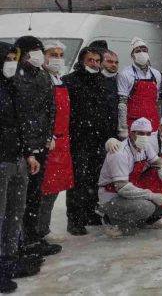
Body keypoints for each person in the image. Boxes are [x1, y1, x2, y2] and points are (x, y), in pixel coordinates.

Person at [0, 42, 43, 293]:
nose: (10, 63)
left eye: (13, 58)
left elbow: (21, 122)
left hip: (17, 158)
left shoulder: (12, 85)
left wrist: (29, 153)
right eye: (6, 58)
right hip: (2, 159)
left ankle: (8, 260)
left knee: (15, 213)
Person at [12, 36, 57, 258]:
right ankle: (16, 243)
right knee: (19, 198)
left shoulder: (42, 76)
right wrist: (27, 148)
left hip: (41, 144)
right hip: (22, 148)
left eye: (40, 49)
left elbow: (51, 109)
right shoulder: (15, 78)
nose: (39, 54)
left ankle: (32, 238)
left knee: (34, 196)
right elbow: (17, 116)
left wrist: (47, 137)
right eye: (34, 50)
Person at [63, 47, 113, 235]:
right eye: (90, 60)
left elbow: (108, 111)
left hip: (98, 139)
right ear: (82, 61)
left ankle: (90, 211)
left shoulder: (103, 81)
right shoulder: (70, 81)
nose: (94, 64)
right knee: (78, 180)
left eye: (97, 61)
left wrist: (109, 135)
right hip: (79, 139)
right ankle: (74, 220)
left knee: (94, 178)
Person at [97, 117, 162, 238]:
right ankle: (110, 219)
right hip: (113, 195)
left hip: (131, 185)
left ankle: (153, 219)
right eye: (141, 133)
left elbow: (157, 162)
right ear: (131, 133)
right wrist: (151, 195)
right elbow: (122, 188)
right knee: (146, 206)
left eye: (148, 133)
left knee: (160, 178)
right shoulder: (119, 153)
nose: (145, 136)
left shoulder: (145, 145)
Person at [34, 40, 73, 254]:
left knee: (55, 188)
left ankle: (43, 228)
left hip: (62, 141)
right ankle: (37, 231)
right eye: (52, 54)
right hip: (48, 142)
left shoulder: (59, 80)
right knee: (43, 190)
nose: (56, 58)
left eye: (60, 54)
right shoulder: (41, 80)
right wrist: (44, 136)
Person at [117, 37, 162, 137]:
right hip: (134, 124)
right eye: (138, 51)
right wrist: (123, 128)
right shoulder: (125, 74)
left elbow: (157, 100)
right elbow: (122, 103)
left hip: (153, 123)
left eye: (144, 50)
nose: (142, 53)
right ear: (132, 55)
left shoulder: (156, 74)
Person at [100, 49, 120, 143]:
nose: (114, 65)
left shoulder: (120, 80)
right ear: (101, 62)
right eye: (109, 61)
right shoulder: (95, 80)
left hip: (116, 127)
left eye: (116, 62)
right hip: (99, 128)